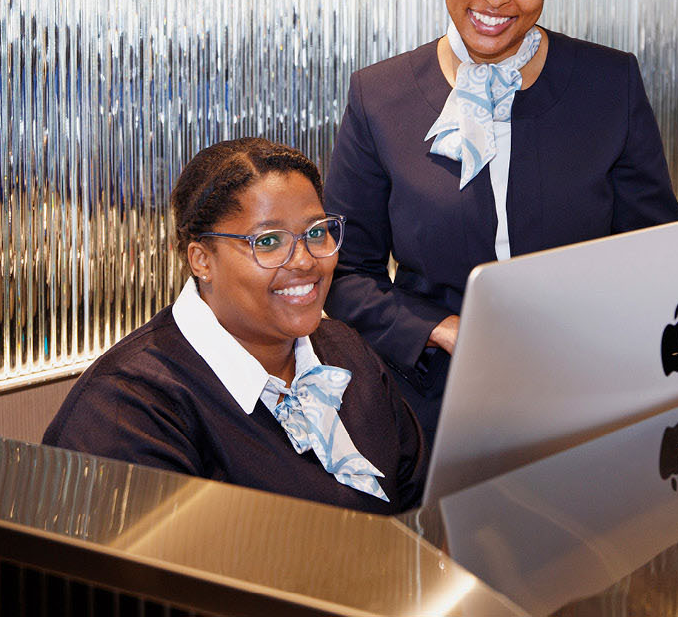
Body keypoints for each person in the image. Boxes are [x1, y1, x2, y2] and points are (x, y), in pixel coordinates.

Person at [323, 0, 678, 441]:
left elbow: (655, 253)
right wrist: (436, 329)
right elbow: (345, 274)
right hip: (431, 399)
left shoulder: (610, 85)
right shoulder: (378, 96)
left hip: (587, 390)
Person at [43, 138, 427, 514]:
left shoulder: (346, 352)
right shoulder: (126, 410)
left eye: (315, 232)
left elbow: (417, 499)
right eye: (269, 240)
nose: (305, 261)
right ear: (201, 260)